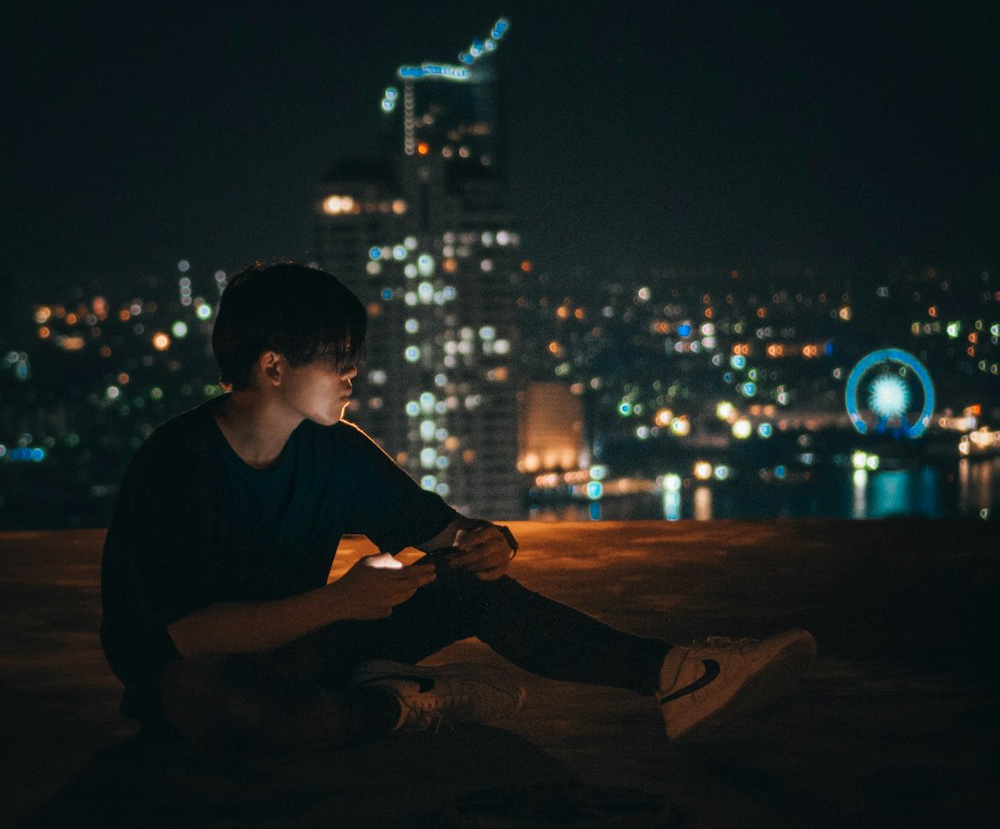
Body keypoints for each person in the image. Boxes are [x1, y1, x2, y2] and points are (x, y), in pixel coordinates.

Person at [100, 260, 816, 754]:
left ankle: (677, 675)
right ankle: (399, 707)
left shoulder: (336, 449)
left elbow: (440, 527)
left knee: (473, 586)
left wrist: (488, 543)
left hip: (309, 648)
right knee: (213, 701)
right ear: (273, 366)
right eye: (337, 357)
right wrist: (343, 602)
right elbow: (192, 637)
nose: (354, 371)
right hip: (194, 673)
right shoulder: (180, 462)